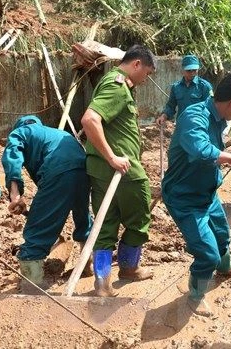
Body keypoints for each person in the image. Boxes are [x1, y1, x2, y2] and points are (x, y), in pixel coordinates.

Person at [162, 73, 231, 315]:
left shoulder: (219, 117)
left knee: (222, 236)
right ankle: (195, 295)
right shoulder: (194, 116)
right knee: (207, 253)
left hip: (206, 193)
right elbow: (200, 149)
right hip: (184, 198)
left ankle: (225, 268)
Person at [81, 44, 156, 297]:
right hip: (122, 172)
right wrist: (113, 157)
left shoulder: (112, 82)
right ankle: (129, 268)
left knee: (104, 225)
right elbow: (90, 119)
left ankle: (102, 282)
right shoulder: (117, 85)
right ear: (136, 64)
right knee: (139, 221)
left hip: (101, 171)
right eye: (146, 73)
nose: (146, 79)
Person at [1, 115, 93, 293]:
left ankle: (31, 284)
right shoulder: (56, 133)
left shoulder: (21, 132)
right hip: (84, 170)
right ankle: (87, 265)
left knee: (37, 230)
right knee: (83, 217)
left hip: (58, 171)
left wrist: (15, 195)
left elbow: (12, 157)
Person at [155, 54, 213, 125]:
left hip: (199, 126)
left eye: (194, 70)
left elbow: (211, 108)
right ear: (183, 70)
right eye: (189, 70)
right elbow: (171, 106)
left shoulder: (205, 86)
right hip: (181, 126)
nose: (192, 73)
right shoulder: (176, 87)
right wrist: (164, 116)